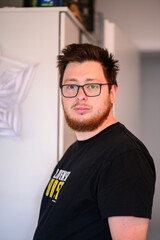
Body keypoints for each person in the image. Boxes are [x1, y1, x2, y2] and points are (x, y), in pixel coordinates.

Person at [33, 43, 156, 240]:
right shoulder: (77, 149)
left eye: (92, 86)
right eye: (71, 86)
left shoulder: (124, 156)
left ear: (112, 93)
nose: (80, 96)